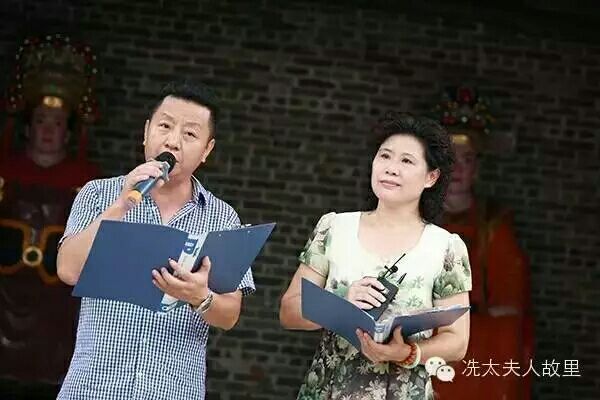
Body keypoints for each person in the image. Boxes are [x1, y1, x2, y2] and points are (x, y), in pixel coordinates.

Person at [55, 81, 254, 400]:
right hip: (93, 386)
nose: (173, 141)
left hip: (173, 390)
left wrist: (199, 296)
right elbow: (68, 270)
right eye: (165, 126)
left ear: (207, 150)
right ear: (146, 132)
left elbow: (230, 314)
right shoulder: (98, 194)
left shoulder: (222, 217)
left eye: (190, 134)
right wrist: (121, 205)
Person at [280, 112, 472, 400]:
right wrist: (341, 302)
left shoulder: (446, 247)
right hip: (330, 390)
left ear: (431, 177)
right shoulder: (334, 228)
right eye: (385, 156)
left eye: (406, 161)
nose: (391, 168)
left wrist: (407, 352)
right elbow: (289, 311)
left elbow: (457, 341)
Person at [0, 34, 100, 393]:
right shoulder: (5, 170)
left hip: (55, 302)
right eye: (42, 120)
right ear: (28, 126)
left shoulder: (86, 182)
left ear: (67, 132)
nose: (47, 130)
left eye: (57, 123)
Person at [431, 87, 534, 400]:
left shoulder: (493, 227)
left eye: (467, 159)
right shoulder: (411, 220)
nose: (458, 168)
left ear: (477, 168)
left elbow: (509, 309)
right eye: (451, 158)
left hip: (473, 353)